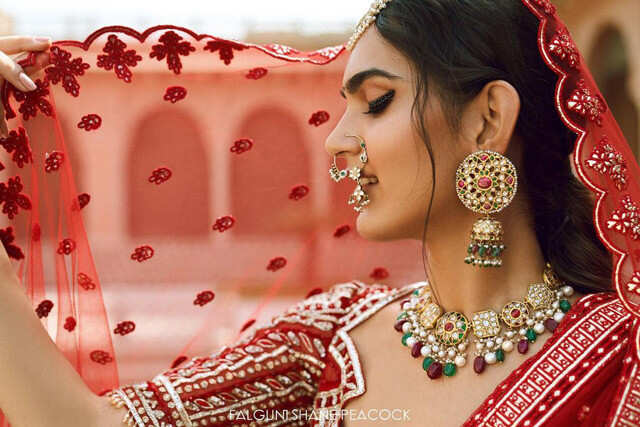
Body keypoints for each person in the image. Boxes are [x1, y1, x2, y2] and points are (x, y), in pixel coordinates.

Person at [0, 0, 638, 426]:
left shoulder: (622, 351)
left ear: (488, 119)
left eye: (377, 101)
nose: (335, 139)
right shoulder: (329, 344)